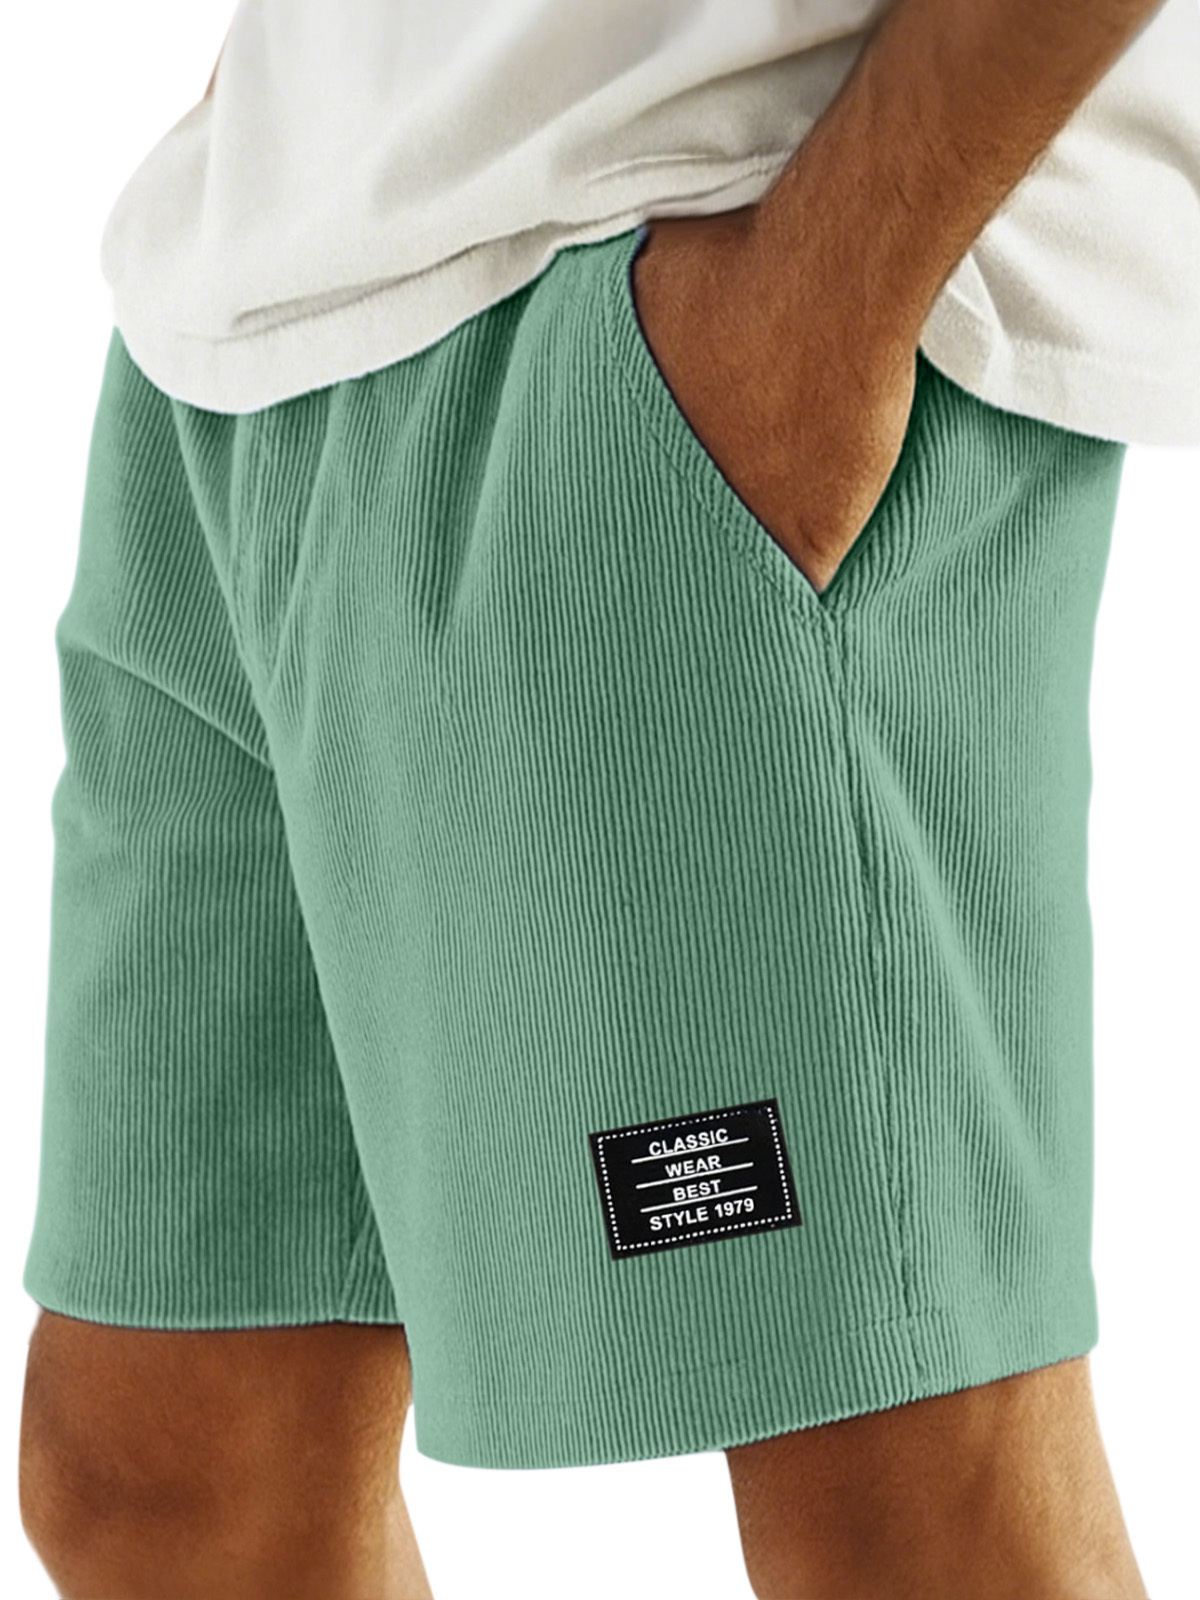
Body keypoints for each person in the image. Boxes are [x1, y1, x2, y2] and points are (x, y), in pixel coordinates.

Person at [17, 0, 1198, 1595]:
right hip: (253, 307)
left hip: (692, 250)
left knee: (901, 1489)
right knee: (166, 1471)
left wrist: (831, 289)